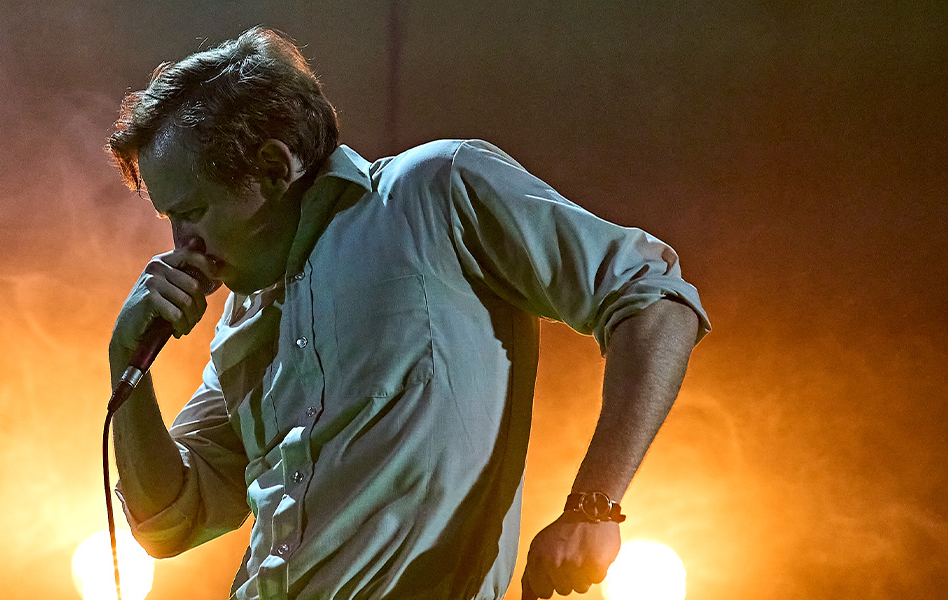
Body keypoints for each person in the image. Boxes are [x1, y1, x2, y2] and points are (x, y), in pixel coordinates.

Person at [105, 27, 710, 600]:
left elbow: (653, 298)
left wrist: (594, 505)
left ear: (272, 166)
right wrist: (125, 361)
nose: (180, 244)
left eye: (191, 212)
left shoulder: (433, 190)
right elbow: (169, 521)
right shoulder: (242, 316)